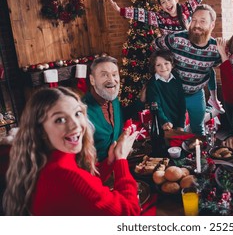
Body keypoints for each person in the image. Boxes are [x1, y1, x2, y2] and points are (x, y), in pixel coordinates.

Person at [2, 87, 140, 216]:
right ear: (41, 130)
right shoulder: (65, 174)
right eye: (60, 119)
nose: (76, 125)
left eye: (77, 113)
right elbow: (130, 213)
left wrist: (110, 161)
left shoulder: (44, 160)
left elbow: (85, 191)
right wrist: (121, 160)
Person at [109, 0, 224, 113]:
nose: (167, 4)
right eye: (163, 3)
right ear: (161, 7)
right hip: (172, 54)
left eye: (169, 0)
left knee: (208, 68)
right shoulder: (159, 18)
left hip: (189, 48)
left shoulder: (187, 9)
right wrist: (121, 10)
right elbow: (141, 14)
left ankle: (213, 98)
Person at [154, 4, 221, 135]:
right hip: (173, 95)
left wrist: (214, 96)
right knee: (176, 131)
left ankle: (200, 154)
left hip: (196, 95)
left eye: (202, 21)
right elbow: (155, 45)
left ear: (212, 25)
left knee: (198, 129)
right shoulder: (176, 39)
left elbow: (213, 70)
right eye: (194, 20)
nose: (196, 25)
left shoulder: (216, 50)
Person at [83, 56, 124, 162]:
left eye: (114, 74)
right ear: (92, 80)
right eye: (104, 75)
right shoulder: (81, 111)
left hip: (118, 165)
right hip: (94, 173)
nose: (111, 80)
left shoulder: (114, 100)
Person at [146, 50, 186, 131]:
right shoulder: (153, 84)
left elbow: (182, 103)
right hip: (162, 123)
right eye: (158, 65)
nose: (163, 68)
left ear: (172, 64)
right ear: (154, 68)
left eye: (166, 63)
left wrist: (181, 124)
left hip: (178, 121)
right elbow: (155, 106)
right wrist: (164, 121)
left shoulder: (177, 79)